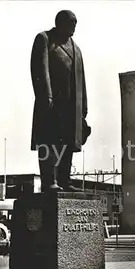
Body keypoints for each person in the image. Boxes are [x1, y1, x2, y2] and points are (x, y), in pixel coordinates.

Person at [30, 10, 91, 192]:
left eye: (75, 23)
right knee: (49, 142)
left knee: (68, 144)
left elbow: (82, 80)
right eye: (71, 22)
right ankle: (49, 181)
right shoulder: (45, 39)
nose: (74, 26)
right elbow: (39, 68)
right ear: (60, 23)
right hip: (51, 102)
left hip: (72, 107)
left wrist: (83, 106)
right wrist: (45, 96)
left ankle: (65, 180)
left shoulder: (76, 49)